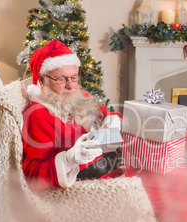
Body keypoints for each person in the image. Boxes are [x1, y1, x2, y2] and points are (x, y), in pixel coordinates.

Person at [22, 39, 122, 192]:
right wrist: (69, 159)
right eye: (61, 79)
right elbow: (32, 176)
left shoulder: (78, 96)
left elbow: (105, 113)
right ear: (42, 80)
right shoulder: (38, 115)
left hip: (115, 166)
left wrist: (112, 121)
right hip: (88, 188)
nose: (70, 86)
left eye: (74, 77)